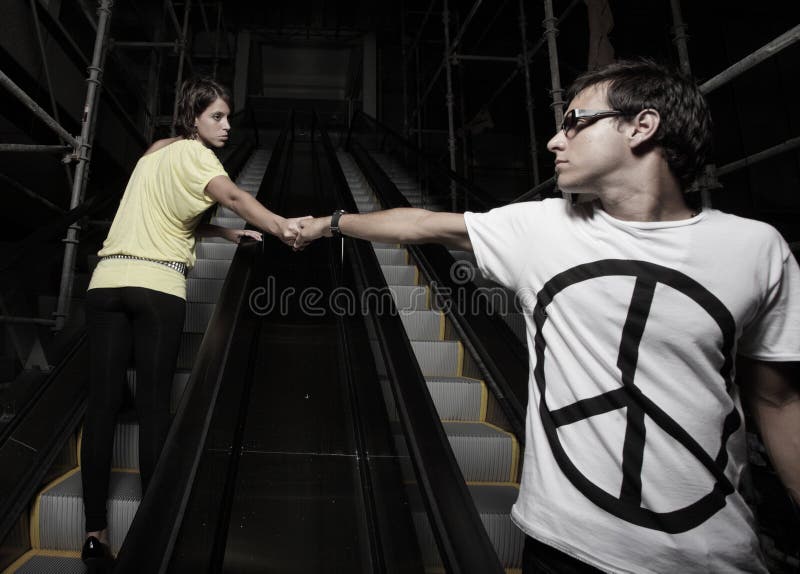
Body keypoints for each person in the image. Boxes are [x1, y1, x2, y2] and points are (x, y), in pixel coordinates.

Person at [294, 59, 800, 573]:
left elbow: (778, 403)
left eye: (575, 121)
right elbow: (419, 223)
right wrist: (332, 222)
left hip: (713, 557)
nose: (555, 142)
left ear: (642, 127)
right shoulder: (541, 228)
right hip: (565, 550)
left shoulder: (756, 249)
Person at [80, 76, 307, 565]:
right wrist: (279, 225)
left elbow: (168, 214)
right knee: (155, 408)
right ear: (194, 118)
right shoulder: (203, 158)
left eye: (228, 117)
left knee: (100, 410)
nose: (226, 127)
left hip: (105, 282)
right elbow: (234, 196)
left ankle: (95, 534)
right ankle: (152, 531)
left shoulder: (154, 152)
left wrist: (225, 235)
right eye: (217, 117)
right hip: (156, 287)